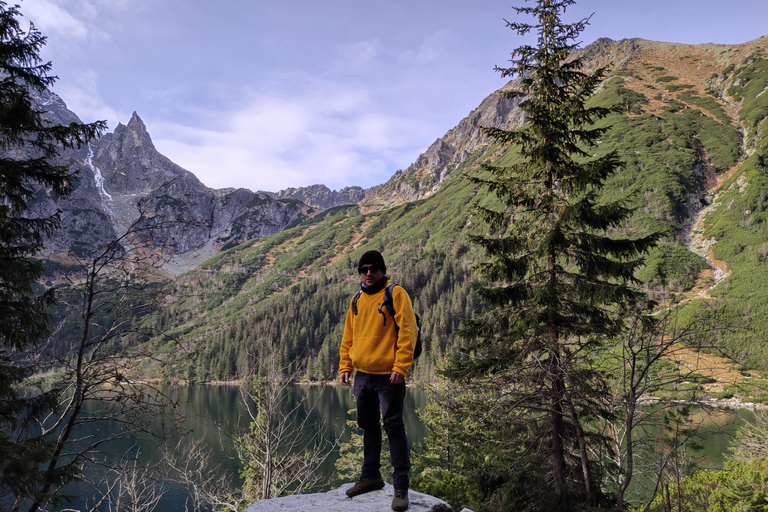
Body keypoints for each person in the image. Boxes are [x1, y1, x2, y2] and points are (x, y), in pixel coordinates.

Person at [339, 250, 418, 512]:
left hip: (389, 375)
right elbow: (348, 335)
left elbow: (408, 331)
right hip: (363, 376)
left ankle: (401, 488)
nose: (368, 273)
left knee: (393, 426)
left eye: (373, 269)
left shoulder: (395, 294)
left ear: (382, 270)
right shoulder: (357, 298)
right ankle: (371, 476)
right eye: (363, 270)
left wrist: (401, 366)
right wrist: (345, 366)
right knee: (368, 425)